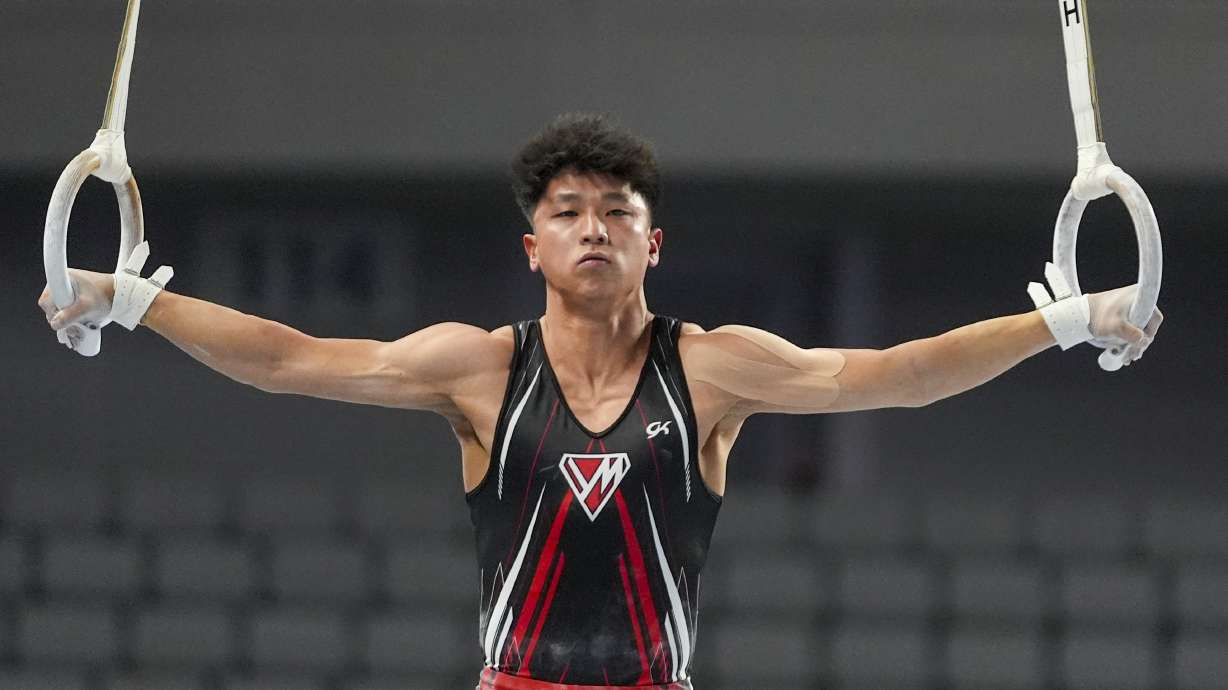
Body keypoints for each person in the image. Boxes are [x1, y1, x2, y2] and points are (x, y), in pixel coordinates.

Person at [38, 113, 1162, 689]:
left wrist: (1060, 321)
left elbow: (893, 376)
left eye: (615, 212)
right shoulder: (476, 368)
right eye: (568, 212)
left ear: (652, 243)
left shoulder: (713, 367)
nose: (591, 228)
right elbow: (288, 359)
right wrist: (129, 298)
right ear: (532, 248)